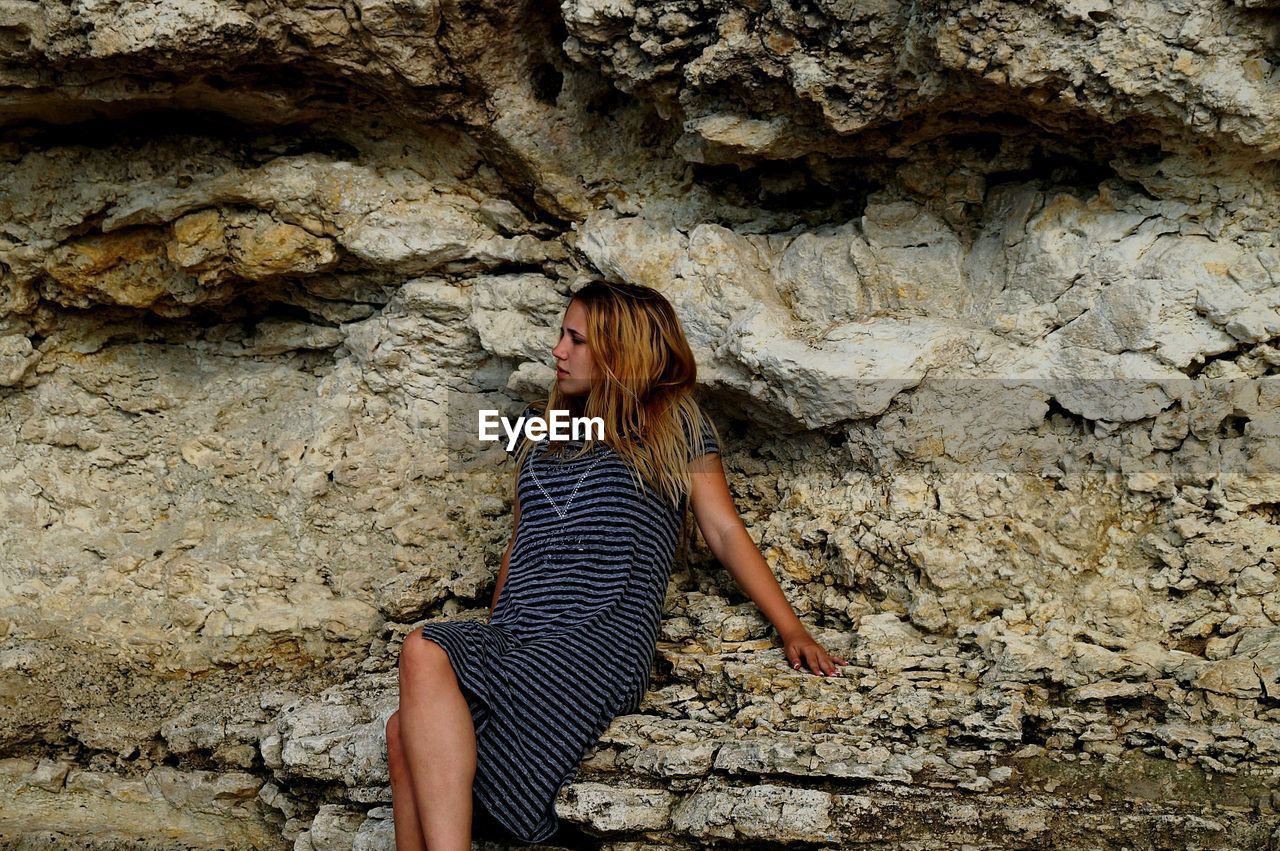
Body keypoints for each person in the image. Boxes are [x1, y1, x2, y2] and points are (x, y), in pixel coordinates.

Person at [386, 280, 849, 850]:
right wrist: (496, 634)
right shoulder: (541, 429)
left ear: (620, 352)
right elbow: (520, 542)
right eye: (561, 335)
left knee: (423, 646)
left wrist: (791, 627)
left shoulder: (672, 425)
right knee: (401, 729)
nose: (557, 350)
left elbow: (725, 531)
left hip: (599, 636)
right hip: (524, 633)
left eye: (575, 339)